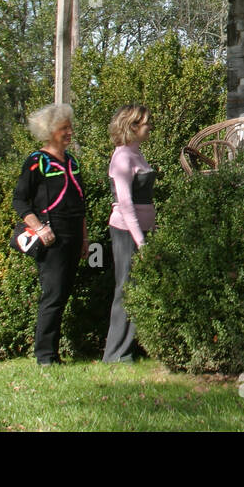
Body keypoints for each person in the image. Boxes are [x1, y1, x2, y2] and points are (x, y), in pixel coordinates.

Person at [13, 103, 87, 367]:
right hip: (51, 235)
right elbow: (20, 201)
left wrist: (85, 238)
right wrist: (41, 228)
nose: (69, 132)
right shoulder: (36, 162)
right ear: (49, 131)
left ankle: (53, 353)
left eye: (70, 127)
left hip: (73, 234)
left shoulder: (73, 162)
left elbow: (81, 202)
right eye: (63, 128)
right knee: (53, 294)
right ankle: (45, 356)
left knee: (64, 293)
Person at [102, 104, 156, 363]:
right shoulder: (122, 157)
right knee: (125, 287)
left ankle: (130, 349)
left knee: (137, 287)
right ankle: (115, 354)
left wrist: (151, 230)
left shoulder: (138, 154)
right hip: (126, 233)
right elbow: (125, 204)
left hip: (142, 232)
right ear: (132, 126)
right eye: (146, 123)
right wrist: (141, 241)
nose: (150, 127)